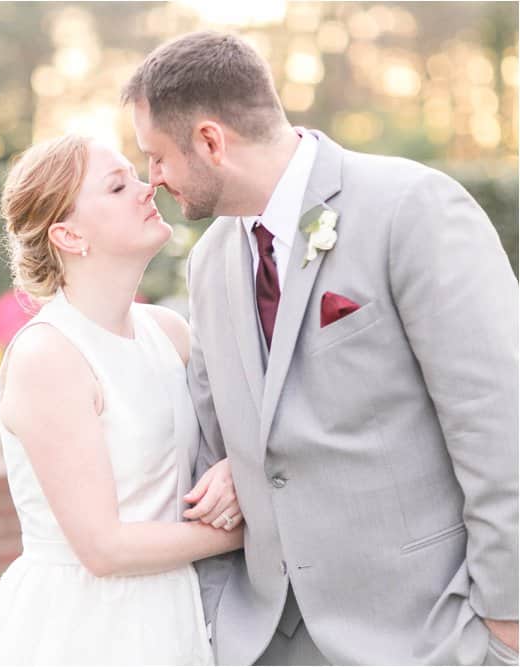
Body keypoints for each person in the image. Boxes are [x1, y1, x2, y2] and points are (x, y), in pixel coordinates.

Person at [123, 30, 520, 665]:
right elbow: (214, 442)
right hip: (268, 639)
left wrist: (506, 620)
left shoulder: (411, 208)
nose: (154, 179)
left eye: (156, 156)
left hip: (428, 632)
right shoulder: (209, 264)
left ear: (209, 141)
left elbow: (500, 419)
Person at [0, 134, 244, 665]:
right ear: (68, 234)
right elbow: (103, 548)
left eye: (136, 175)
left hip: (174, 614)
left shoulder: (170, 334)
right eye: (118, 185)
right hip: (84, 627)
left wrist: (237, 470)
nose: (148, 186)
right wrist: (244, 530)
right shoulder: (49, 356)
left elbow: (239, 436)